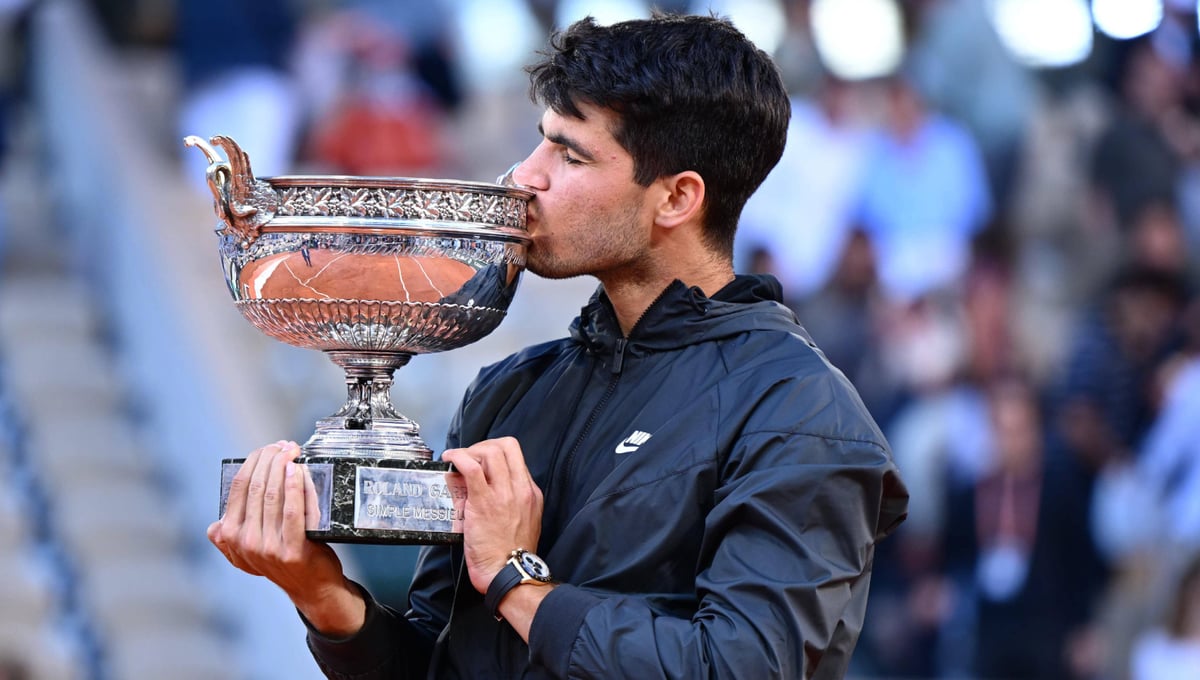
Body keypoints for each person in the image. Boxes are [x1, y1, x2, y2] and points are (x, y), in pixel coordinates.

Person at [208, 13, 908, 679]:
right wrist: (322, 594)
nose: (524, 175)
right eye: (540, 139)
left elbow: (743, 666)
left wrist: (517, 580)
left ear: (676, 199)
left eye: (568, 153)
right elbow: (438, 658)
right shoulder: (512, 387)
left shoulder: (800, 410)